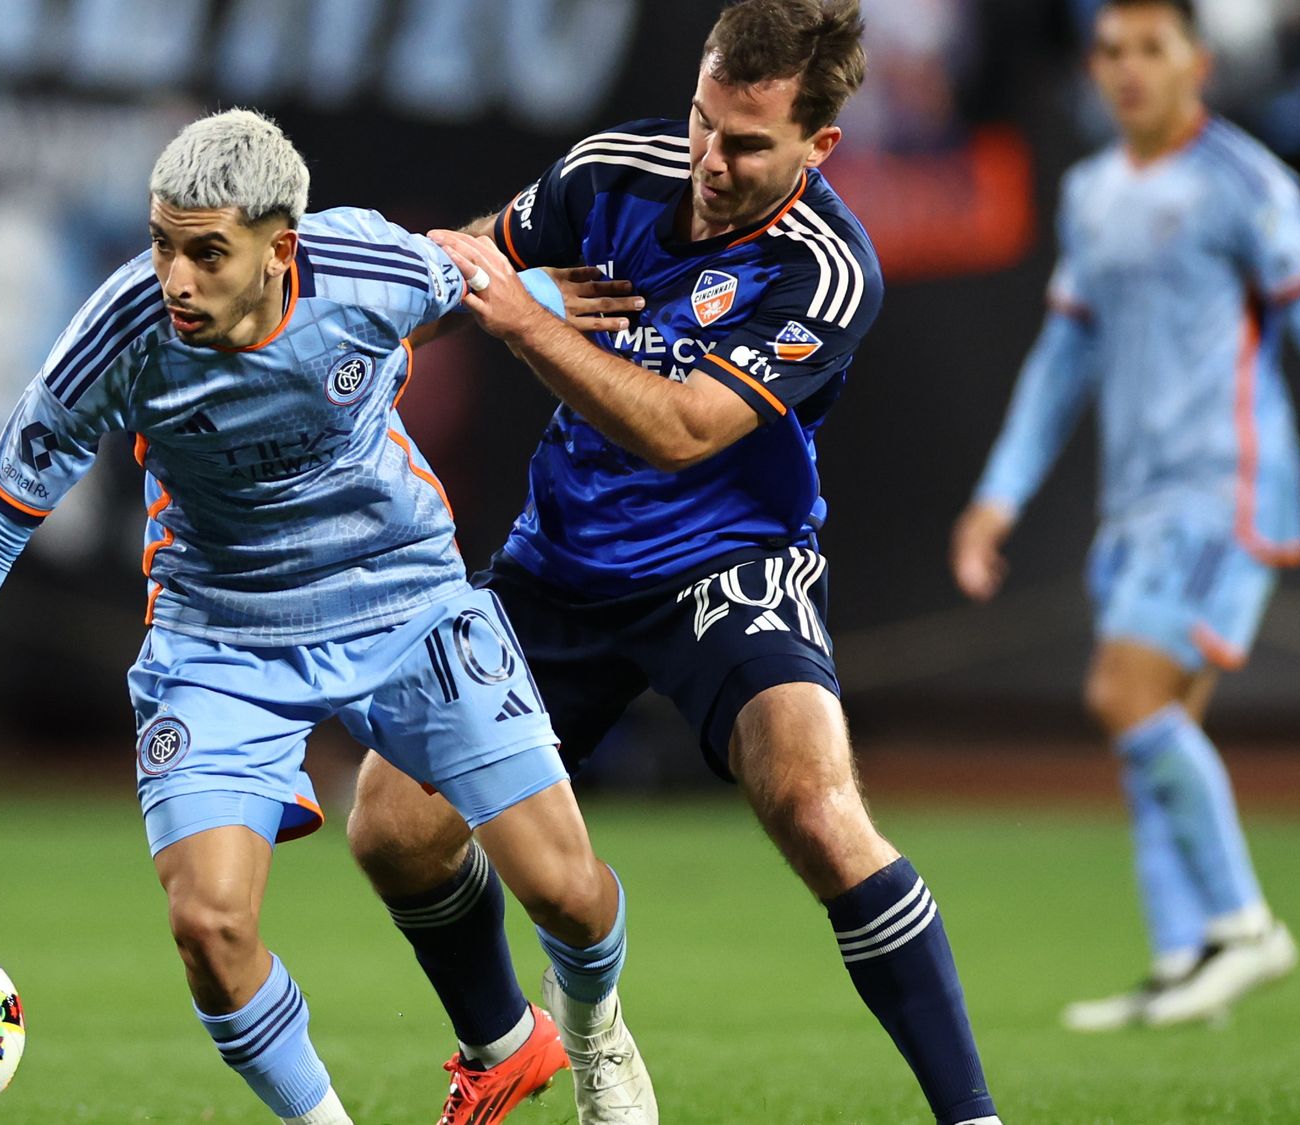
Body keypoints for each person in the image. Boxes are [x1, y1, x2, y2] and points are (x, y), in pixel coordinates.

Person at [0, 109, 641, 1125]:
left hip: (407, 603)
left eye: (207, 253)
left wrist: (551, 297)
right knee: (207, 924)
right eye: (162, 244)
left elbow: (461, 290)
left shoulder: (368, 264)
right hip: (221, 640)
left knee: (566, 891)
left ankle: (590, 1035)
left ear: (278, 250)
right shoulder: (118, 335)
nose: (176, 279)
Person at [346, 3, 1003, 1124]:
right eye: (703, 123)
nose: (709, 160)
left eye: (747, 144)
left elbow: (684, 429)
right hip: (558, 565)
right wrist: (379, 308)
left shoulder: (827, 268)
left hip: (727, 567)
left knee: (813, 809)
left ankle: (971, 1118)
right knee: (390, 830)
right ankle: (529, 1037)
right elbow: (471, 264)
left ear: (817, 147)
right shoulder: (612, 171)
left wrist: (527, 320)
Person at [950, 0, 1300, 1031]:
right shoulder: (1090, 192)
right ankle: (1181, 961)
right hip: (1136, 499)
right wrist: (995, 497)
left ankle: (1243, 927)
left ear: (1194, 64)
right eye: (1108, 50)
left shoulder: (1241, 180)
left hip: (1224, 488)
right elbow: (1060, 361)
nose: (1124, 68)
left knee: (1123, 693)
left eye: (1148, 49)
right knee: (1151, 724)